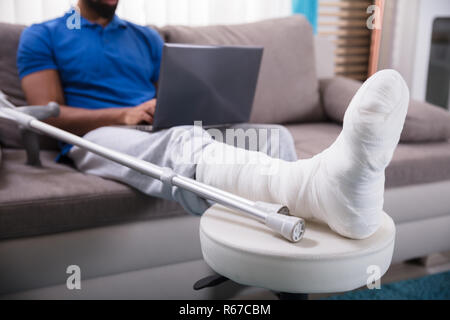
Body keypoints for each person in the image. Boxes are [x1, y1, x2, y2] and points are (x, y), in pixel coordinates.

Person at [17, 0, 410, 240]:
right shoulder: (43, 35)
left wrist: (202, 103)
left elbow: (171, 93)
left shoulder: (144, 37)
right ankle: (316, 194)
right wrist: (125, 113)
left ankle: (303, 220)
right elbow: (53, 114)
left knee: (271, 138)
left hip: (159, 125)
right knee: (181, 141)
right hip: (101, 136)